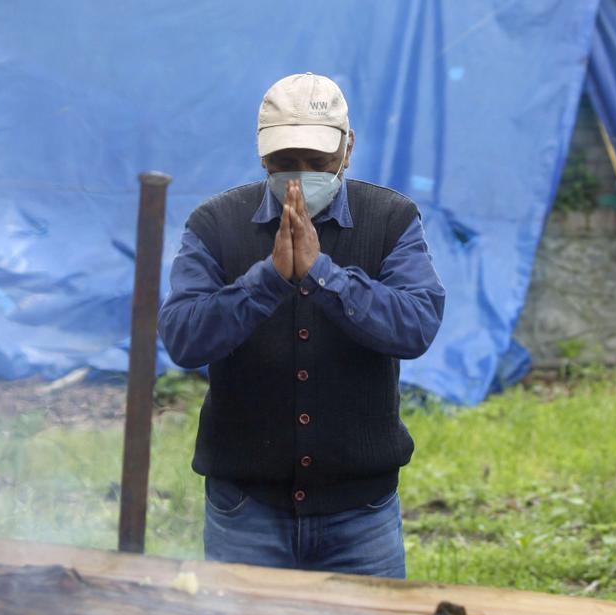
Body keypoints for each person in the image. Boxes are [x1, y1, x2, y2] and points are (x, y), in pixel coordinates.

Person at [157, 73, 445, 578]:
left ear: (347, 150)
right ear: (262, 156)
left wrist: (325, 275)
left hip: (361, 514)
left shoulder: (391, 219)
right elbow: (183, 336)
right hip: (245, 510)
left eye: (318, 163)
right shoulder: (216, 224)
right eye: (285, 163)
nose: (300, 178)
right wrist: (267, 281)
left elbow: (416, 325)